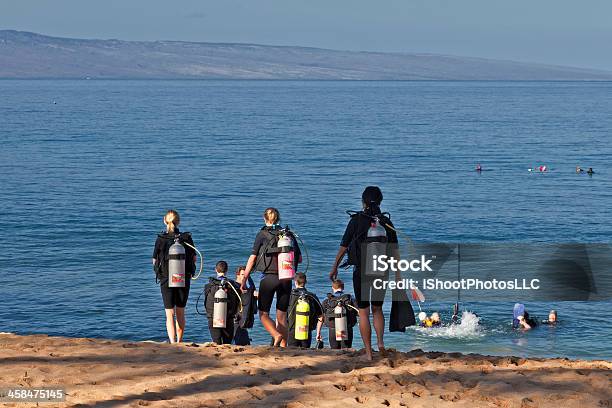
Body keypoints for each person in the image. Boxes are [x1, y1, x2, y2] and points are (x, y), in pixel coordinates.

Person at [330, 186, 399, 361]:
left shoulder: (356, 220)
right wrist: (398, 274)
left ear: (363, 201)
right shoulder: (385, 221)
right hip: (381, 270)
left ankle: (368, 353)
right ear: (381, 201)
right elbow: (394, 251)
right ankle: (381, 344)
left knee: (363, 311)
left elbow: (343, 246)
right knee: (377, 309)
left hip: (361, 271)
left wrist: (335, 267)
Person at [241, 208, 302, 347]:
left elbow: (252, 258)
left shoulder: (262, 234)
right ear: (278, 218)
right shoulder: (288, 235)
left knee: (263, 314)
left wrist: (245, 278)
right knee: (281, 317)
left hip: (268, 278)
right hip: (286, 279)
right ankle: (283, 347)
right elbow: (299, 259)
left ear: (264, 218)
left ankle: (276, 335)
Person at [152, 210, 197, 343]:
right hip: (183, 278)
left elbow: (154, 260)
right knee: (181, 312)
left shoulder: (161, 239)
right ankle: (180, 341)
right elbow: (194, 258)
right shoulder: (186, 238)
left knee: (169, 314)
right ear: (179, 221)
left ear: (164, 221)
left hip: (166, 278)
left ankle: (172, 342)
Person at [204, 261, 241, 344]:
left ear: (215, 270)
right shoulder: (233, 285)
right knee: (227, 343)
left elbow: (206, 303)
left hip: (213, 318)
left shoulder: (208, 286)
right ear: (227, 270)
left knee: (216, 343)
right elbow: (237, 302)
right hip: (228, 318)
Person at [287, 273, 323, 348]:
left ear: (295, 282)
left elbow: (282, 314)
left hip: (292, 330)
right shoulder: (312, 296)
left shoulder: (289, 295)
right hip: (306, 330)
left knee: (292, 352)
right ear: (306, 282)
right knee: (305, 353)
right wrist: (318, 333)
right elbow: (321, 316)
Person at [320, 279, 358, 349]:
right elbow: (358, 312)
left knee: (334, 349)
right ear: (343, 288)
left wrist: (318, 332)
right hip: (347, 328)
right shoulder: (350, 298)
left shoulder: (327, 300)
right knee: (346, 349)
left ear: (332, 288)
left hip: (332, 329)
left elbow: (320, 317)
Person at [233, 265, 257, 345]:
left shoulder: (246, 287)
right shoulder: (235, 286)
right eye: (243, 275)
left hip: (244, 318)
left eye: (246, 275)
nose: (244, 277)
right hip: (236, 319)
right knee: (242, 342)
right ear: (238, 275)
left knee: (245, 341)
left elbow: (252, 289)